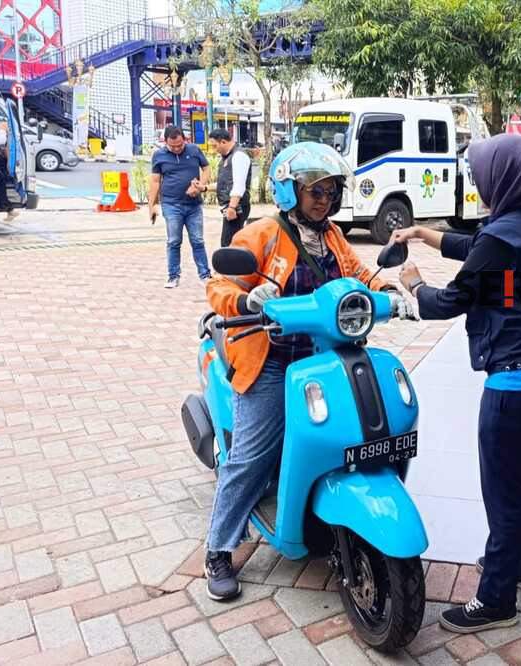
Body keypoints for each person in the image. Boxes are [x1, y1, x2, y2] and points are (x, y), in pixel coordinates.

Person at [202, 142, 413, 601]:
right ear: (288, 191)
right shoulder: (263, 233)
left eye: (329, 190)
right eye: (312, 190)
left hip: (323, 359)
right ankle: (219, 547)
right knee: (254, 454)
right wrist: (245, 299)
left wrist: (392, 292)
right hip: (272, 360)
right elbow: (220, 283)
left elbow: (361, 273)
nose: (322, 198)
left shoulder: (334, 237)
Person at [391, 134, 521, 633]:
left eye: (481, 172)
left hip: (519, 383)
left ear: (503, 178)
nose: (477, 179)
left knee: (504, 493)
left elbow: (449, 302)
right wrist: (424, 234)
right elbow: (478, 248)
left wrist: (411, 282)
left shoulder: (502, 235)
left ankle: (496, 600)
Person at [149, 126, 212, 288]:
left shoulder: (194, 150)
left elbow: (206, 168)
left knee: (198, 240)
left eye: (180, 145)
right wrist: (152, 205)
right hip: (171, 204)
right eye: (172, 146)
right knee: (174, 241)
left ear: (185, 139)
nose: (177, 149)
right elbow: (155, 181)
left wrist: (200, 185)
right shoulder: (159, 155)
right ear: (166, 142)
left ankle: (205, 275)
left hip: (194, 205)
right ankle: (173, 276)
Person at [207, 128, 253, 248]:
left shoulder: (239, 156)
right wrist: (204, 188)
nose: (214, 150)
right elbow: (225, 184)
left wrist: (232, 207)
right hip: (231, 207)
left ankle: (236, 267)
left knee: (229, 246)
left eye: (214, 146)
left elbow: (239, 185)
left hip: (236, 207)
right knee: (230, 243)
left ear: (223, 142)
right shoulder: (227, 158)